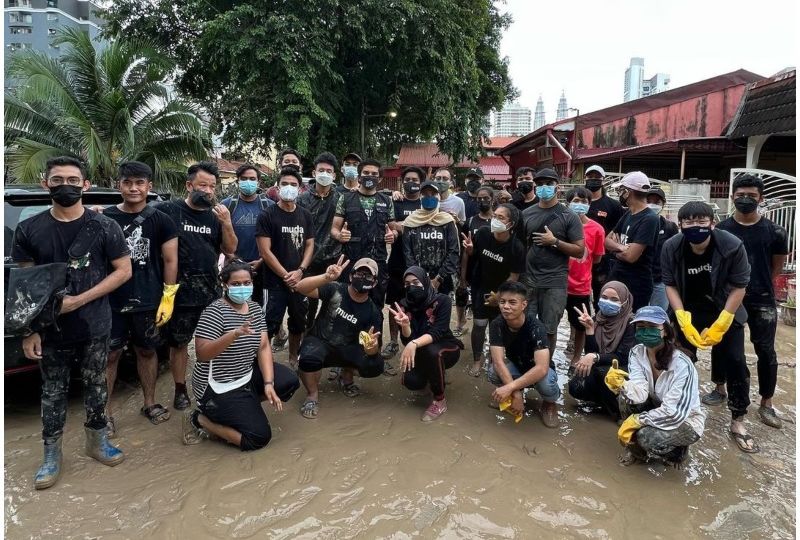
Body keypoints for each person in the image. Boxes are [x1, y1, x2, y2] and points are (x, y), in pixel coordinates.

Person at [13, 156, 132, 490]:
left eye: (73, 180)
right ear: (45, 183)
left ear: (85, 185)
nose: (66, 185)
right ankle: (51, 455)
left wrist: (79, 300)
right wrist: (30, 330)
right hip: (50, 330)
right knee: (52, 391)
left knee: (96, 385)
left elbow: (124, 271)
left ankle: (97, 442)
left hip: (95, 323)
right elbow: (24, 286)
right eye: (57, 179)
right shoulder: (29, 229)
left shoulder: (105, 227)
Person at [661, 201, 756, 453]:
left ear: (712, 223)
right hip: (688, 310)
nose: (696, 226)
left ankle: (738, 420)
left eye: (702, 221)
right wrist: (680, 316)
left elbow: (740, 285)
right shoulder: (671, 247)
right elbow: (669, 284)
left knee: (735, 362)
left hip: (725, 308)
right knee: (678, 361)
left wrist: (724, 320)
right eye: (689, 222)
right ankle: (676, 411)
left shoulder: (731, 245)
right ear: (680, 225)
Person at [183, 260, 300, 450]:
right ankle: (200, 419)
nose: (242, 288)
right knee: (258, 438)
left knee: (288, 381)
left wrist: (269, 384)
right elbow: (202, 354)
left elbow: (263, 347)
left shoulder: (253, 308)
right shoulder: (214, 312)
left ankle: (245, 406)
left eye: (247, 283)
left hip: (245, 374)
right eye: (236, 284)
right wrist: (233, 334)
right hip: (217, 386)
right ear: (225, 284)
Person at [104, 161, 178, 437]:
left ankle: (149, 402)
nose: (134, 188)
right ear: (118, 185)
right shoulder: (104, 218)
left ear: (149, 186)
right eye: (127, 182)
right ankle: (105, 413)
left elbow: (171, 260)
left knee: (147, 351)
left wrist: (168, 295)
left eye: (139, 183)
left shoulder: (161, 220)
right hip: (109, 301)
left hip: (148, 298)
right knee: (109, 355)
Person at [158, 161, 237, 410]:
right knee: (179, 344)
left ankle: (215, 386)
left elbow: (230, 249)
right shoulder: (168, 210)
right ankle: (180, 389)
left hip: (211, 292)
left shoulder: (216, 216)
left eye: (212, 186)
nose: (208, 191)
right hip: (179, 293)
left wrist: (227, 223)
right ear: (189, 185)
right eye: (203, 185)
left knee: (216, 340)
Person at [716, 174, 789, 429]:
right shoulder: (722, 229)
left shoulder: (775, 232)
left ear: (761, 198)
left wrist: (755, 287)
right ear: (733, 196)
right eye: (740, 195)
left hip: (762, 300)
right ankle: (719, 387)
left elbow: (776, 268)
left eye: (751, 196)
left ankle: (766, 403)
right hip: (727, 298)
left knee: (766, 351)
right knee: (723, 345)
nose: (745, 199)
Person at [610, 306, 706, 467]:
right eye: (641, 327)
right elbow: (639, 394)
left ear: (665, 331)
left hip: (685, 419)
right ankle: (637, 453)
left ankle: (678, 452)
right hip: (657, 406)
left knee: (646, 437)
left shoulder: (682, 365)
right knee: (623, 399)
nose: (646, 331)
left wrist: (638, 420)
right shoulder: (637, 352)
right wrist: (622, 385)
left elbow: (674, 413)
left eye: (652, 327)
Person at [293, 257, 384, 418]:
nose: (363, 278)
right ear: (350, 276)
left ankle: (346, 376)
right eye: (360, 273)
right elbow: (300, 287)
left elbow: (373, 344)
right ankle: (312, 394)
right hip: (320, 341)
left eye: (368, 276)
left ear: (374, 283)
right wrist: (326, 277)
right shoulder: (335, 289)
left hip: (348, 347)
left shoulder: (373, 311)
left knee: (375, 364)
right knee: (307, 358)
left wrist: (372, 349)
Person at [521, 167, 585, 357]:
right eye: (540, 184)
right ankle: (528, 362)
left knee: (549, 329)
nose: (544, 188)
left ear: (557, 186)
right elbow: (520, 246)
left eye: (548, 184)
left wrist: (554, 242)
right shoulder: (526, 214)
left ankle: (546, 364)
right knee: (527, 325)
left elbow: (579, 250)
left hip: (555, 282)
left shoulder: (569, 216)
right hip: (529, 281)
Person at [256, 167, 315, 369]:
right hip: (273, 282)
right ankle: (266, 362)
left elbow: (309, 245)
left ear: (300, 189)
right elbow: (265, 251)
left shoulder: (306, 215)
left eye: (293, 185)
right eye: (285, 184)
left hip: (300, 281)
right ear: (277, 186)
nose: (289, 188)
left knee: (298, 322)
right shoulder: (267, 215)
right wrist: (285, 275)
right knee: (269, 324)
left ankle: (293, 357)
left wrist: (300, 270)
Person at [389, 267, 463, 421]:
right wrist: (405, 326)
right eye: (408, 284)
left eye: (416, 282)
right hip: (420, 348)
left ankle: (439, 400)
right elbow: (406, 341)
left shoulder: (442, 301)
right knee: (410, 382)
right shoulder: (403, 305)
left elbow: (438, 332)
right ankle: (435, 376)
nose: (412, 286)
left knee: (433, 352)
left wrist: (414, 344)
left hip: (446, 346)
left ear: (425, 281)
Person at [461, 203, 525, 377]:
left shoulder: (516, 247)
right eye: (494, 216)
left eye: (501, 218)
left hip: (502, 291)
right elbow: (473, 255)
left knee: (499, 327)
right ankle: (477, 360)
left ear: (510, 224)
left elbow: (514, 276)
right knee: (479, 324)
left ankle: (495, 357)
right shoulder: (482, 233)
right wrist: (471, 250)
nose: (495, 220)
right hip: (480, 286)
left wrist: (500, 297)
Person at [487, 281, 561, 428]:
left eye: (512, 302)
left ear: (524, 305)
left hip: (538, 370)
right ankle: (515, 393)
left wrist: (509, 388)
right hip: (517, 365)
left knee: (546, 384)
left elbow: (541, 368)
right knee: (493, 372)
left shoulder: (536, 327)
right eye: (502, 302)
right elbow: (498, 361)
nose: (506, 306)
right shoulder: (497, 324)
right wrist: (516, 393)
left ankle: (549, 404)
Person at [331, 158, 397, 310]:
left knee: (375, 306)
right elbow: (334, 229)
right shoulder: (346, 199)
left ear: (380, 178)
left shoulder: (387, 201)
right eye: (366, 173)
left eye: (374, 174)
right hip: (352, 261)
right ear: (359, 176)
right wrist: (339, 235)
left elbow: (393, 229)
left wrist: (392, 235)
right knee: (347, 306)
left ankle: (374, 333)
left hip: (378, 262)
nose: (370, 176)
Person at [568, 281, 636, 419]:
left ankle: (619, 413)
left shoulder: (631, 323)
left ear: (624, 302)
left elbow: (624, 357)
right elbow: (591, 352)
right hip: (604, 367)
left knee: (602, 373)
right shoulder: (597, 319)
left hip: (629, 370)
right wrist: (590, 330)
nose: (607, 302)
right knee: (576, 385)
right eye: (604, 297)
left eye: (614, 299)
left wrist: (595, 357)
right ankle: (603, 402)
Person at [382, 166, 424, 368]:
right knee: (393, 303)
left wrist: (403, 224)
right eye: (407, 179)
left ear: (421, 182)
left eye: (415, 179)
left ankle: (415, 339)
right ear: (402, 181)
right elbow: (390, 225)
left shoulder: (426, 203)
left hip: (420, 264)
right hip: (397, 262)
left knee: (417, 303)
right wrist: (409, 224)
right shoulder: (395, 201)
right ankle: (392, 341)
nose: (411, 182)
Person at [297, 153, 343, 328]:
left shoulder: (341, 198)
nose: (325, 173)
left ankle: (324, 335)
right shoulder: (301, 200)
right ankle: (306, 335)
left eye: (329, 171)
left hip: (333, 259)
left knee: (332, 301)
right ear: (314, 173)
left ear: (334, 176)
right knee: (307, 303)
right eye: (321, 170)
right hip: (307, 259)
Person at [605, 171, 659, 311]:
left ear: (628, 192)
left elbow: (631, 257)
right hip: (617, 276)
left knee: (631, 325)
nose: (619, 194)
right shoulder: (628, 213)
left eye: (621, 190)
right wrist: (621, 247)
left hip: (637, 284)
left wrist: (614, 251)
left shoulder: (649, 219)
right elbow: (607, 241)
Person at [221, 164, 275, 305]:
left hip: (262, 265)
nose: (248, 182)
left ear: (258, 181)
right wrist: (233, 258)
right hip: (233, 266)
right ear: (238, 181)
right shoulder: (227, 205)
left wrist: (262, 260)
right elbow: (218, 237)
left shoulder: (269, 206)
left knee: (261, 306)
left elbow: (276, 238)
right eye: (244, 179)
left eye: (252, 178)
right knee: (233, 305)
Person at [565, 187, 606, 366]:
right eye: (575, 201)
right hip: (558, 283)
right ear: (567, 203)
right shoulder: (560, 223)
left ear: (590, 205)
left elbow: (596, 258)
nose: (579, 205)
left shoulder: (597, 229)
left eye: (584, 202)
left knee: (580, 324)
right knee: (550, 323)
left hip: (580, 285)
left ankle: (576, 357)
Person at [401, 181, 460, 295]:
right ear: (420, 197)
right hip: (416, 281)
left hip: (443, 281)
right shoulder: (410, 222)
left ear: (438, 196)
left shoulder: (447, 221)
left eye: (433, 194)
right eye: (425, 194)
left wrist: (439, 279)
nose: (429, 197)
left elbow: (453, 251)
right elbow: (407, 253)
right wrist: (420, 278)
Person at [455, 186, 494, 336]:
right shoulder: (470, 222)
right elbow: (465, 252)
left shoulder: (498, 220)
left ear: (492, 199)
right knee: (470, 302)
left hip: (493, 272)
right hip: (474, 271)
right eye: (479, 199)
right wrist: (463, 278)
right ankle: (461, 324)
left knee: (493, 308)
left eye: (486, 198)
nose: (482, 201)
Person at [583, 165, 624, 309]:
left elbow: (618, 231)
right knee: (580, 299)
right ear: (585, 178)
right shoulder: (579, 204)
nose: (593, 180)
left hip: (604, 260)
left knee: (602, 297)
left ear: (603, 180)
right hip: (581, 258)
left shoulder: (613, 206)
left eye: (597, 177)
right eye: (590, 177)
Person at [645, 187, 678, 311]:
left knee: (658, 316)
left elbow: (676, 253)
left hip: (660, 281)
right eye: (649, 201)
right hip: (640, 279)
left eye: (657, 202)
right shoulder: (636, 223)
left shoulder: (670, 227)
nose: (652, 205)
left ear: (663, 204)